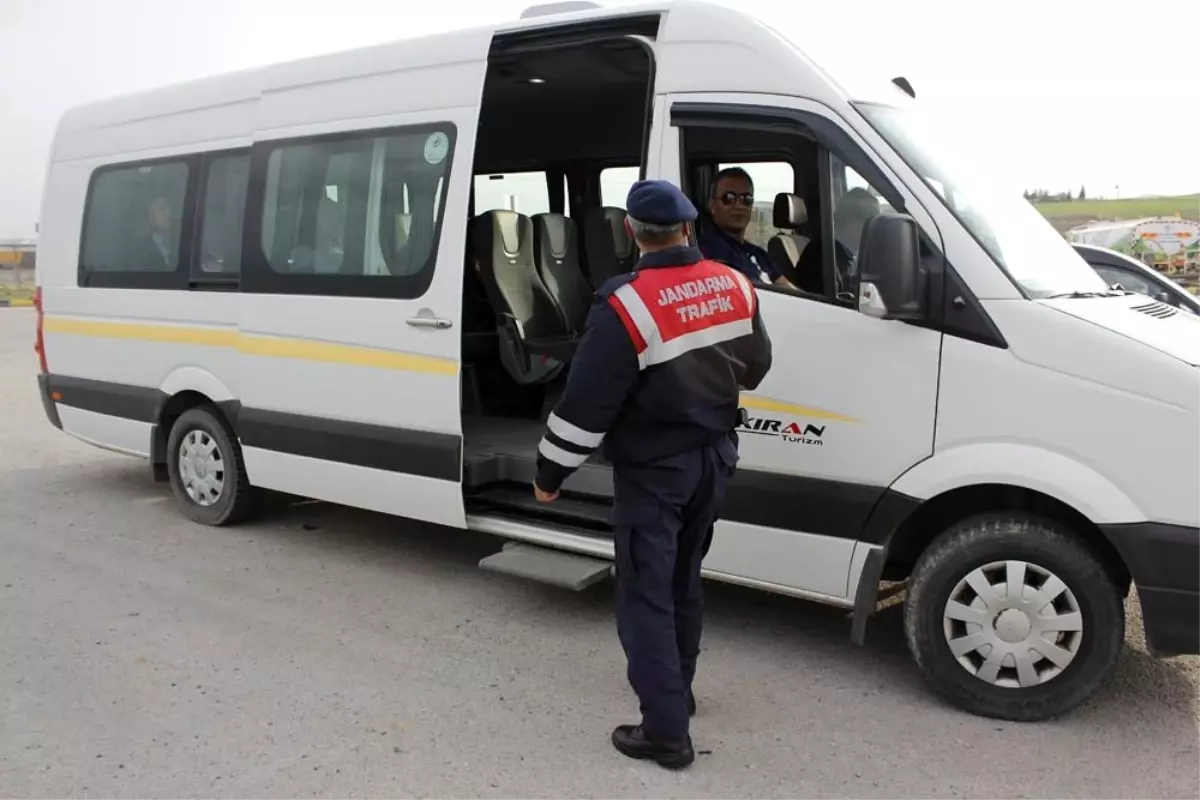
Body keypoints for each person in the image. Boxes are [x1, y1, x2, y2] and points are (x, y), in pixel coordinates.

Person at [532, 179, 773, 769]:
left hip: (655, 473)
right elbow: (757, 367)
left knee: (644, 593)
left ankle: (665, 733)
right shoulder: (734, 283)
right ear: (689, 227)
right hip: (715, 458)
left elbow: (586, 406)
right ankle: (679, 694)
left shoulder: (625, 304)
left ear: (630, 232)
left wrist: (549, 473)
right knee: (682, 580)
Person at [698, 166, 795, 289]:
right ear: (712, 206)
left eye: (746, 199)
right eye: (729, 198)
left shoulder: (759, 254)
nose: (739, 206)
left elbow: (791, 291)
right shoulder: (708, 254)